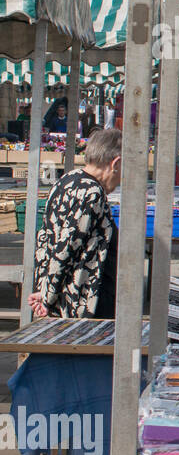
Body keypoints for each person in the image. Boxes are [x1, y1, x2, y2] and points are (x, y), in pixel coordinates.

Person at [28, 128, 122, 320]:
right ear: (116, 163)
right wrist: (47, 297)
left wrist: (43, 289)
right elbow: (67, 248)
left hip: (63, 298)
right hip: (82, 300)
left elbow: (46, 239)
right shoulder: (92, 193)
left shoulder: (66, 180)